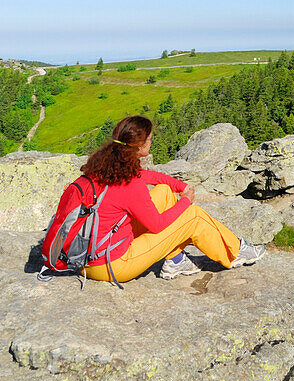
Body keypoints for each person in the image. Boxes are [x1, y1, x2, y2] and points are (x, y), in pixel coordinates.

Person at [79, 114, 264, 283]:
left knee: (164, 192)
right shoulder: (130, 184)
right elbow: (157, 225)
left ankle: (175, 260)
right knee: (193, 216)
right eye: (150, 139)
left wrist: (180, 186)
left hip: (87, 257)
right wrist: (185, 201)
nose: (152, 142)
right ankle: (235, 252)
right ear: (140, 145)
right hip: (113, 265)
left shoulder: (103, 168)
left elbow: (148, 176)